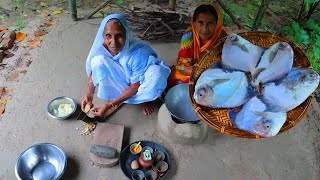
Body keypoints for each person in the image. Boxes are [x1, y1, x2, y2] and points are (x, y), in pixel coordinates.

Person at [82, 14, 171, 117]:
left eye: (119, 35)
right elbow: (94, 72)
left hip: (138, 81)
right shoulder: (102, 48)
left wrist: (110, 105)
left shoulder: (138, 53)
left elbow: (134, 87)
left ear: (126, 34)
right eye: (108, 36)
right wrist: (88, 95)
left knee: (156, 75)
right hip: (126, 76)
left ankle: (144, 99)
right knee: (97, 61)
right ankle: (117, 94)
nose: (113, 43)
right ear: (103, 36)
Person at [168, 2, 226, 88]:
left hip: (214, 73)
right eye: (201, 22)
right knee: (175, 78)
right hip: (194, 71)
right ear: (194, 22)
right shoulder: (189, 36)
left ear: (217, 24)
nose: (204, 29)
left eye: (210, 23)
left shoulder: (223, 39)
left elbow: (226, 66)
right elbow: (183, 67)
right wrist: (202, 75)